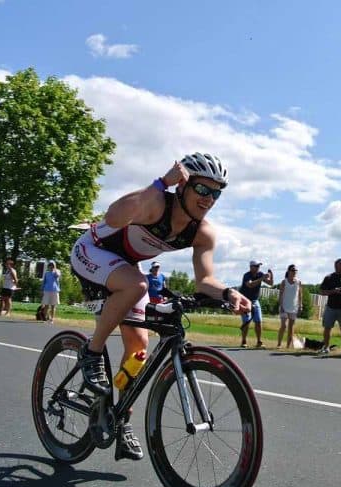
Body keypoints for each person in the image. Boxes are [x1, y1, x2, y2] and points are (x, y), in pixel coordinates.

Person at [70, 152, 250, 461]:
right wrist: (161, 182)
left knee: (138, 348)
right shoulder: (156, 203)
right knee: (137, 285)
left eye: (216, 193)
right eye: (202, 189)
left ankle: (120, 419)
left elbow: (205, 280)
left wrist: (228, 293)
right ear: (183, 185)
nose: (208, 199)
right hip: (91, 250)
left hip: (125, 267)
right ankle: (92, 352)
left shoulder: (203, 232)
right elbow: (113, 218)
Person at [239, 261, 273, 347]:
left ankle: (259, 341)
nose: (258, 267)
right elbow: (250, 285)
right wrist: (262, 278)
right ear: (251, 267)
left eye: (259, 266)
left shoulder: (260, 274)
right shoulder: (247, 275)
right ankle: (244, 341)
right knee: (246, 321)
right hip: (244, 300)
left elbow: (270, 283)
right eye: (256, 266)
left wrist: (271, 275)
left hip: (255, 300)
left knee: (258, 321)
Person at [276, 264, 302, 348]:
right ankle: (279, 344)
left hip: (294, 307)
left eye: (296, 270)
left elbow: (300, 295)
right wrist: (281, 306)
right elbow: (280, 294)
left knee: (291, 327)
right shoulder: (284, 282)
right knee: (284, 325)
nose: (294, 272)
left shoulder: (298, 282)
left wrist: (300, 305)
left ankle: (288, 345)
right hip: (284, 306)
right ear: (289, 271)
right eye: (293, 270)